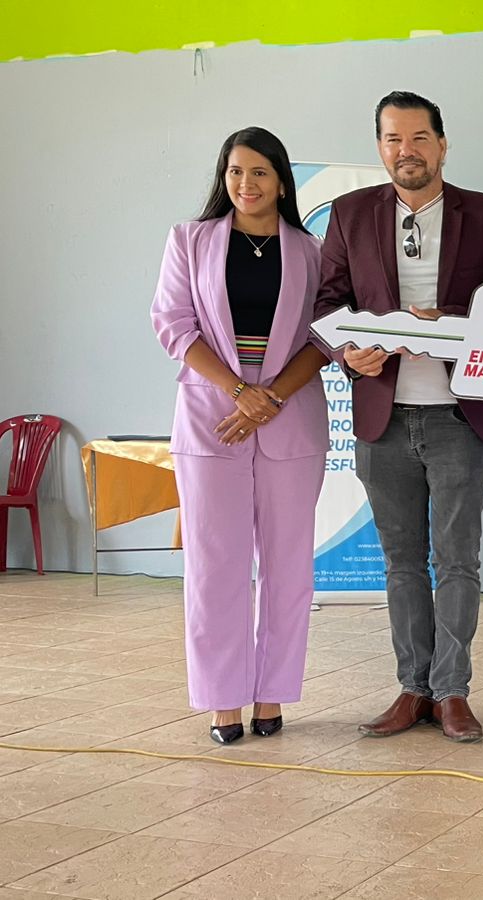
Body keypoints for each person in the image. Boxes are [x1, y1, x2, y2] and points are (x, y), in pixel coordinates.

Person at [315, 91, 483, 743]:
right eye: (393, 139)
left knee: (457, 561)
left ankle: (453, 692)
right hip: (384, 415)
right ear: (380, 147)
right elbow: (327, 302)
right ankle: (414, 689)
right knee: (402, 562)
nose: (406, 151)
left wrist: (448, 322)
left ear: (442, 143)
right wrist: (348, 354)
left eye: (419, 138)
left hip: (461, 415)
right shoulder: (350, 214)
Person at [150, 127, 329, 744]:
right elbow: (173, 324)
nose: (245, 184)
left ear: (281, 181)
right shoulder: (189, 240)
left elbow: (325, 337)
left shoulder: (312, 251)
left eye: (259, 172)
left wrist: (269, 396)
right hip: (212, 418)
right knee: (214, 565)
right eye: (234, 172)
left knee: (288, 566)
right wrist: (239, 391)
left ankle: (272, 695)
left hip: (290, 416)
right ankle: (223, 701)